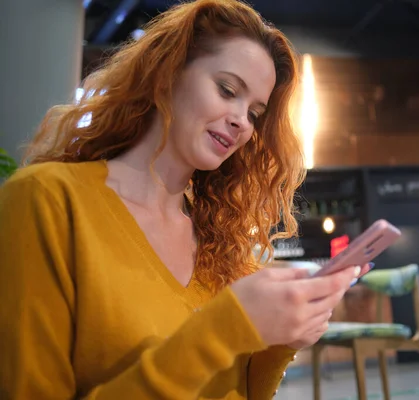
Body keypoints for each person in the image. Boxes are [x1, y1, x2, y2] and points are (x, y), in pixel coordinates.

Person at [0, 0, 371, 398]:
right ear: (168, 73)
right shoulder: (48, 201)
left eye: (255, 113)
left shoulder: (219, 244)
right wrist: (224, 328)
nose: (241, 122)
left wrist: (281, 343)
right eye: (227, 90)